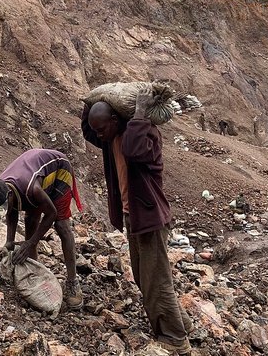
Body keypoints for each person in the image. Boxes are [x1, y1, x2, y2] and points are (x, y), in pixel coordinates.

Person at [81, 87, 193, 355]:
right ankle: (181, 322)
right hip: (135, 218)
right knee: (146, 279)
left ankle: (175, 339)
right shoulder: (113, 136)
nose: (98, 136)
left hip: (151, 219)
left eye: (102, 129)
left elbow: (133, 152)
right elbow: (89, 131)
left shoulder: (146, 136)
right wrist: (89, 104)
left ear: (117, 122)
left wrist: (141, 112)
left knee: (156, 281)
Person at [0, 148, 84, 310]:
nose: (3, 211)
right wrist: (9, 242)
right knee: (30, 220)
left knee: (61, 226)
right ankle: (35, 274)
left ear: (9, 196)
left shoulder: (31, 189)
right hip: (36, 173)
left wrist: (30, 243)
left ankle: (72, 282)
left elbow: (51, 214)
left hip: (59, 170)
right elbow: (11, 211)